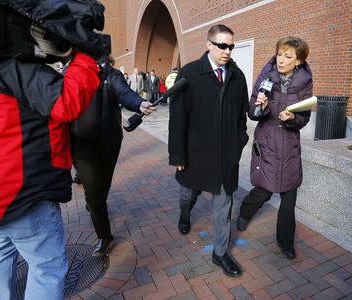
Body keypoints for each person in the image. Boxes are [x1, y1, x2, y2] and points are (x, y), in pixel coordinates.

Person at [0, 1, 106, 299]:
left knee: (0, 248)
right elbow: (68, 103)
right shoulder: (15, 72)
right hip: (20, 196)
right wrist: (83, 55)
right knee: (48, 264)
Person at [168, 24, 249, 277]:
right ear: (209, 45)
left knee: (224, 204)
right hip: (195, 153)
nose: (227, 51)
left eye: (231, 46)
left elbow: (241, 116)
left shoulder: (237, 75)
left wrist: (239, 142)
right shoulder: (190, 73)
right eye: (222, 45)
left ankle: (220, 253)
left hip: (226, 155)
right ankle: (184, 214)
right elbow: (177, 118)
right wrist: (178, 155)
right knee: (187, 194)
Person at [237, 37, 312, 260]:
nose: (281, 59)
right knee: (264, 191)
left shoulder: (305, 81)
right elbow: (252, 111)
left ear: (298, 61)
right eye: (280, 54)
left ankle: (285, 241)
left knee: (289, 197)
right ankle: (245, 212)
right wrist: (262, 107)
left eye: (288, 56)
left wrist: (292, 118)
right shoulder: (266, 76)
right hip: (268, 142)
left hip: (289, 145)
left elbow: (304, 117)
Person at [72, 56, 155, 256]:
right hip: (81, 145)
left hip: (108, 141)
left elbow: (124, 93)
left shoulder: (110, 74)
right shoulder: (70, 74)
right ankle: (104, 236)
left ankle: (95, 204)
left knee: (103, 186)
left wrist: (139, 103)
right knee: (93, 193)